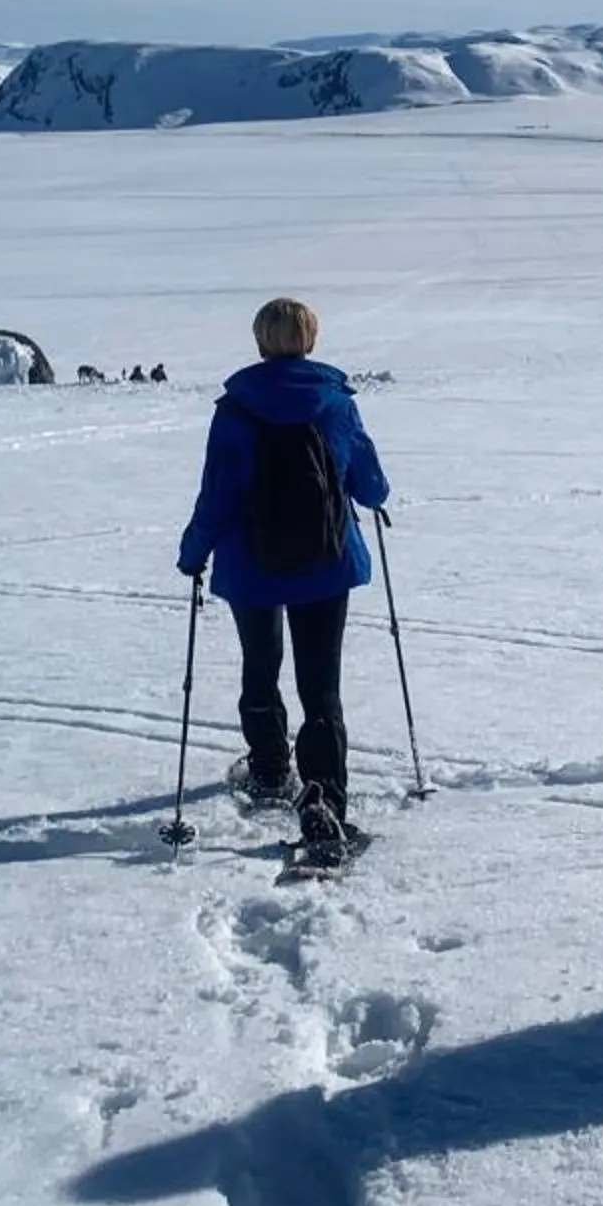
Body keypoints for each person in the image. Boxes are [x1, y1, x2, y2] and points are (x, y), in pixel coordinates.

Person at [177, 297, 390, 866]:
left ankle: (270, 769)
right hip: (327, 564)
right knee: (321, 685)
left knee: (261, 661)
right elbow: (371, 485)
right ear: (310, 340)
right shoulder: (335, 403)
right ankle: (323, 801)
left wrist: (193, 551)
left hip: (253, 566)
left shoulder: (236, 409)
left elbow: (218, 493)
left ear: (261, 341)